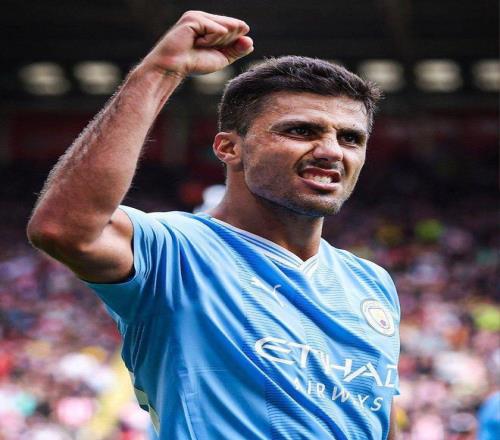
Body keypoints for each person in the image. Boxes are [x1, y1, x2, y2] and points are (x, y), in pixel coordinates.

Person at [27, 10, 400, 440]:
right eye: (301, 131)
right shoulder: (173, 250)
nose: (332, 151)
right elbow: (62, 228)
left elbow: (377, 422)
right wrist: (159, 72)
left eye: (351, 138)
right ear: (229, 148)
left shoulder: (372, 282)